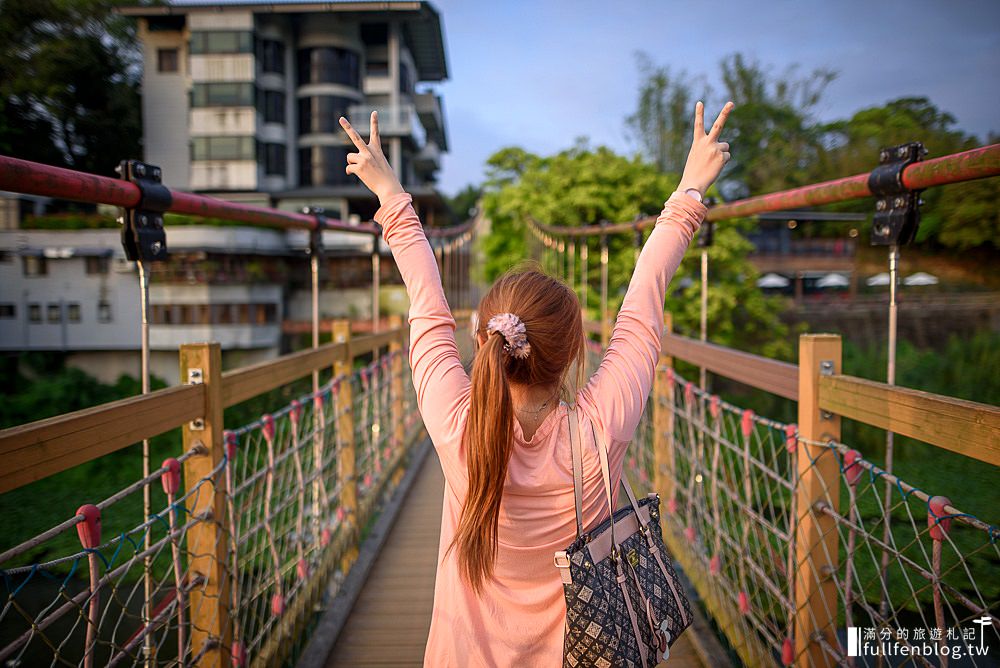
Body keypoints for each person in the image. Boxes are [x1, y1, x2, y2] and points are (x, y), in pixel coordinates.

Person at [338, 100, 733, 667]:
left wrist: (392, 197)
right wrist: (689, 191)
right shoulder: (599, 431)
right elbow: (643, 306)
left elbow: (426, 305)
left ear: (480, 339)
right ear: (575, 353)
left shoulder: (457, 428)